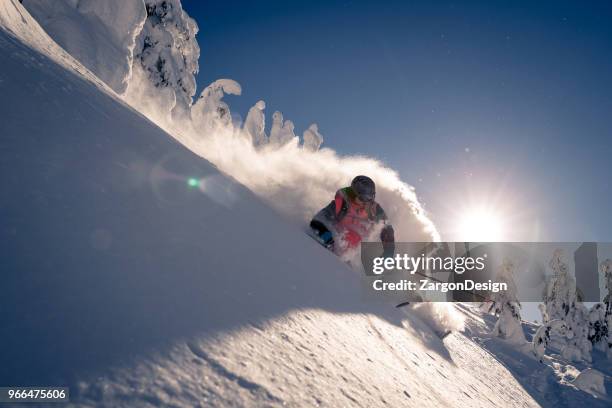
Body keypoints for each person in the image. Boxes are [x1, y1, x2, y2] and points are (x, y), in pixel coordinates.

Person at [310, 175, 394, 254]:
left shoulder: (373, 208)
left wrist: (389, 250)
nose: (366, 201)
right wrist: (329, 241)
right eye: (363, 197)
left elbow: (387, 228)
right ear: (353, 193)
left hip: (353, 251)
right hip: (336, 241)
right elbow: (316, 222)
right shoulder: (341, 204)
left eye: (369, 197)